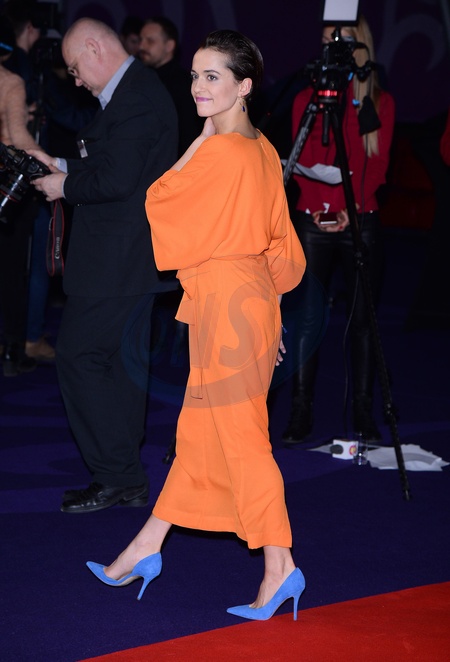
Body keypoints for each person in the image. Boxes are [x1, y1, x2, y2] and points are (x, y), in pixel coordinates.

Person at [85, 29, 307, 622]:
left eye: (212, 77)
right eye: (194, 76)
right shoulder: (264, 149)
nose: (198, 88)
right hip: (247, 307)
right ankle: (145, 547)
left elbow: (160, 198)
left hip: (227, 310)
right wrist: (270, 318)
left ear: (244, 86)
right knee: (201, 436)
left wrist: (200, 139)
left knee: (242, 441)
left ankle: (280, 566)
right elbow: (280, 248)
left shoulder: (222, 152)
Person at [31, 17, 178, 513]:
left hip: (120, 259)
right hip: (129, 258)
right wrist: (61, 166)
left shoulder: (135, 96)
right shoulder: (136, 91)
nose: (75, 80)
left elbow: (117, 181)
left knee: (79, 357)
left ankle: (118, 474)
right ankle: (124, 475)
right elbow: (116, 165)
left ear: (95, 48)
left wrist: (64, 185)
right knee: (120, 365)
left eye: (75, 68)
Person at [282, 15, 395, 445]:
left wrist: (351, 208)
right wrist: (319, 207)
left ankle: (364, 409)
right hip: (313, 218)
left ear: (359, 46)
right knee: (308, 318)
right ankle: (300, 409)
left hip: (360, 217)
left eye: (343, 40)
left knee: (363, 319)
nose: (333, 49)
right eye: (327, 41)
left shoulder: (379, 101)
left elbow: (377, 165)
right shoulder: (306, 100)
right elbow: (303, 159)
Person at [0, 17, 40, 376]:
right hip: (4, 187)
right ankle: (12, 349)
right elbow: (18, 138)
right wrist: (48, 164)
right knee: (12, 270)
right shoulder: (10, 82)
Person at [139, 16, 203, 155]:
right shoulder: (140, 79)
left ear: (169, 46)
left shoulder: (184, 85)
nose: (141, 46)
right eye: (141, 40)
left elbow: (188, 133)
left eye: (150, 41)